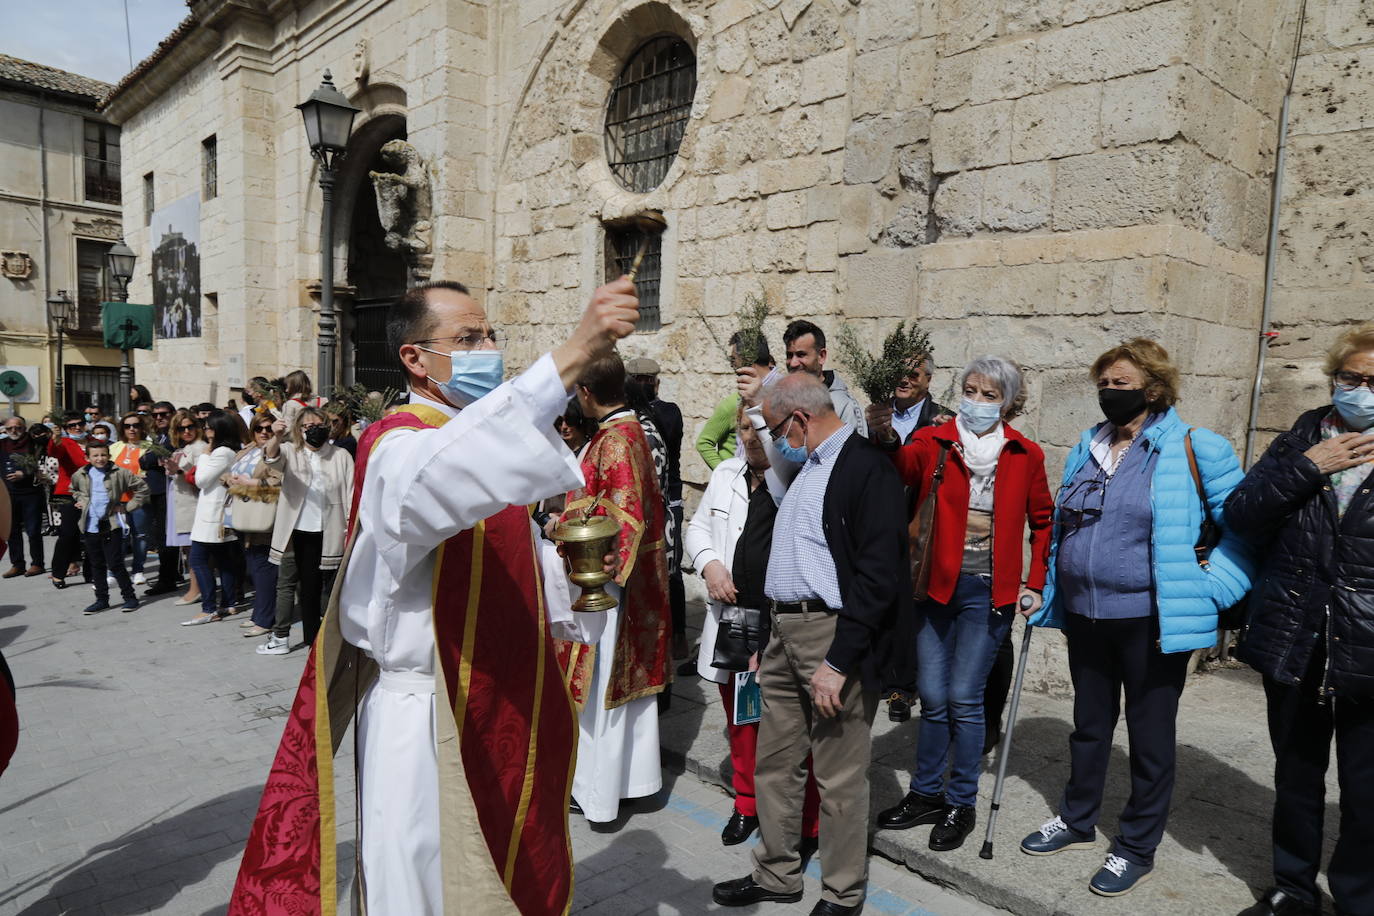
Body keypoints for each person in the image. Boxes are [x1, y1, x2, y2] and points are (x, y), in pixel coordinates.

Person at [230, 276, 639, 916]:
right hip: (422, 707)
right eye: (467, 338)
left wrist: (574, 578)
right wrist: (572, 355)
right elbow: (432, 485)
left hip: (492, 688)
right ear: (415, 358)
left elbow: (510, 559)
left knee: (489, 868)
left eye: (490, 334)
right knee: (423, 879)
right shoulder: (396, 441)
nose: (488, 348)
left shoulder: (469, 436)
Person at [1020, 339, 1254, 896]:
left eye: (1121, 384)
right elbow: (1066, 526)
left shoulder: (1198, 447)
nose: (1109, 393)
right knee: (1089, 727)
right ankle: (1078, 818)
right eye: (1103, 383)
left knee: (1150, 739)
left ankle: (1134, 845)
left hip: (1151, 619)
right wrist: (1048, 587)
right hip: (1085, 614)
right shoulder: (1087, 444)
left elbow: (1246, 530)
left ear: (1153, 387)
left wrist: (1211, 591)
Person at [713, 372, 910, 915]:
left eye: (777, 428)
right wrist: (770, 633)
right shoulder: (808, 469)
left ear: (799, 419)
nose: (776, 440)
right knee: (776, 762)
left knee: (839, 774)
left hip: (831, 636)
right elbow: (797, 555)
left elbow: (877, 575)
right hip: (783, 633)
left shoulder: (867, 469)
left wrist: (840, 660)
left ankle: (842, 893)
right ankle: (776, 873)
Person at [872, 356, 1052, 850]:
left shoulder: (1025, 454)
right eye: (970, 390)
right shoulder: (934, 442)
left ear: (1009, 402)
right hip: (935, 587)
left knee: (965, 699)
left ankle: (961, 800)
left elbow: (1043, 520)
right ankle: (926, 792)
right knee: (932, 696)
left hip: (988, 592)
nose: (976, 401)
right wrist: (885, 436)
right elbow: (900, 469)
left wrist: (1035, 580)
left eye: (989, 395)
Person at [1225, 324, 1374, 916]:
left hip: (1368, 643)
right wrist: (1309, 467)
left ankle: (1360, 897)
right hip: (1298, 634)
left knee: (1366, 788)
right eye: (1351, 378)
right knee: (1296, 775)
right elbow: (1242, 513)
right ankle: (1292, 887)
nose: (1360, 390)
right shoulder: (1304, 435)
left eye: (1373, 381)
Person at [684, 406, 821, 847]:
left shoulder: (798, 478)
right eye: (742, 427)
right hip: (736, 621)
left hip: (781, 620)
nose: (747, 436)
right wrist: (709, 566)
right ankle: (747, 804)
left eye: (756, 428)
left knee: (794, 724)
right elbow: (698, 528)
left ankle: (806, 819)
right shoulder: (726, 472)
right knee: (742, 718)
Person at [558, 352, 672, 823]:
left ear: (586, 393)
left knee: (600, 686)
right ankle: (627, 783)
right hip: (621, 582)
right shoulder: (624, 432)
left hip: (605, 587)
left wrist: (565, 530)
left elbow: (623, 515)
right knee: (612, 687)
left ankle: (598, 794)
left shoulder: (617, 440)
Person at [864, 355, 956, 722]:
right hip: (878, 519)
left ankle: (903, 684)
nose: (905, 380)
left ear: (928, 380)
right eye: (899, 373)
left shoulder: (942, 419)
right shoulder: (876, 413)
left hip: (918, 521)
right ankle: (880, 674)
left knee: (911, 604)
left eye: (913, 374)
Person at [258, 407, 354, 651]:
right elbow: (271, 459)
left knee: (327, 586)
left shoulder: (340, 455)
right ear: (299, 430)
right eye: (308, 426)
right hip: (298, 528)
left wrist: (351, 526)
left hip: (331, 528)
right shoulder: (291, 451)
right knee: (301, 584)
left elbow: (351, 492)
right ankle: (299, 638)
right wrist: (277, 436)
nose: (314, 430)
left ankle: (326, 637)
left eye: (319, 424)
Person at [628, 356, 690, 663]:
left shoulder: (665, 414)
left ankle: (677, 634)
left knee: (672, 568)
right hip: (660, 500)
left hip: (667, 499)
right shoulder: (661, 411)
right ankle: (673, 634)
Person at [180, 411, 244, 626]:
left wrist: (205, 453)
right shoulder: (228, 451)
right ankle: (228, 602)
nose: (205, 431)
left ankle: (209, 607)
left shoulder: (220, 452)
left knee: (198, 560)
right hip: (217, 513)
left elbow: (201, 480)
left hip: (213, 515)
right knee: (224, 561)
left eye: (208, 427)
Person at [71, 440, 148, 614]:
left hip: (112, 524)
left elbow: (142, 488)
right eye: (95, 455)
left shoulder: (120, 473)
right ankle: (101, 599)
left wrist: (126, 507)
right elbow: (73, 489)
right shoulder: (81, 474)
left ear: (109, 455)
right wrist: (80, 500)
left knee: (115, 563)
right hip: (90, 525)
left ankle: (130, 598)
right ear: (87, 457)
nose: (100, 459)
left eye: (103, 455)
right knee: (96, 564)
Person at [224, 413, 280, 640]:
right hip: (241, 515)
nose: (264, 432)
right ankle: (259, 613)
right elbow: (227, 473)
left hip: (263, 516)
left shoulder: (277, 451)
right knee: (253, 567)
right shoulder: (247, 449)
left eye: (268, 428)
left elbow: (278, 481)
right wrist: (230, 480)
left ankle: (266, 619)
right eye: (259, 428)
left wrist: (250, 484)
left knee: (263, 568)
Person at [697, 331, 778, 470]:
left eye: (734, 359)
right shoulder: (733, 402)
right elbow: (704, 443)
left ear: (746, 358)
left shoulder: (783, 393)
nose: (732, 366)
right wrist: (725, 475)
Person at [781, 319, 867, 436]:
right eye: (789, 355)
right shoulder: (781, 401)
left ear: (821, 356)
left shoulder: (845, 407)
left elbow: (856, 453)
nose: (793, 363)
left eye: (801, 355)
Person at [165, 410, 208, 607]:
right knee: (189, 550)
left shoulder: (200, 447)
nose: (186, 431)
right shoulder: (187, 447)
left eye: (190, 426)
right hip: (181, 502)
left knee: (194, 551)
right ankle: (195, 587)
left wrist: (179, 471)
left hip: (192, 503)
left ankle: (196, 589)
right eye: (181, 428)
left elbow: (201, 476)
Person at [140, 402, 182, 595]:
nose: (159, 418)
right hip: (156, 491)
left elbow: (151, 459)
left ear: (172, 414)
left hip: (169, 491)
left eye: (163, 414)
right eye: (155, 415)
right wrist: (151, 458)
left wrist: (151, 459)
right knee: (162, 537)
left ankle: (167, 580)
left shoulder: (175, 436)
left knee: (166, 538)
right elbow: (143, 460)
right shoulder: (158, 436)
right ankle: (172, 574)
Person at [46, 416, 89, 588]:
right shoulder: (63, 442)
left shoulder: (92, 440)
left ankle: (91, 572)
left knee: (91, 534)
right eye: (72, 425)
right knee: (68, 534)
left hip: (92, 493)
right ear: (66, 428)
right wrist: (55, 439)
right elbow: (54, 452)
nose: (77, 427)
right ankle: (58, 573)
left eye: (80, 424)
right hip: (68, 493)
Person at [111, 412, 152, 586]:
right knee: (117, 537)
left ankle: (138, 571)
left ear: (142, 428)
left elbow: (153, 472)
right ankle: (115, 571)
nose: (132, 429)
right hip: (117, 499)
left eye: (135, 425)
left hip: (139, 498)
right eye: (127, 426)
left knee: (140, 535)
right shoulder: (114, 447)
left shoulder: (150, 446)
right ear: (122, 429)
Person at [2, 416, 45, 578]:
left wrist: (25, 473)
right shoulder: (2, 444)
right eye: (10, 428)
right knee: (12, 531)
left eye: (18, 427)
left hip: (30, 494)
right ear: (5, 429)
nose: (14, 431)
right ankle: (18, 564)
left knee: (33, 530)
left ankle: (37, 563)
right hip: (8, 494)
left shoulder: (34, 444)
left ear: (24, 428)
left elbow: (42, 465)